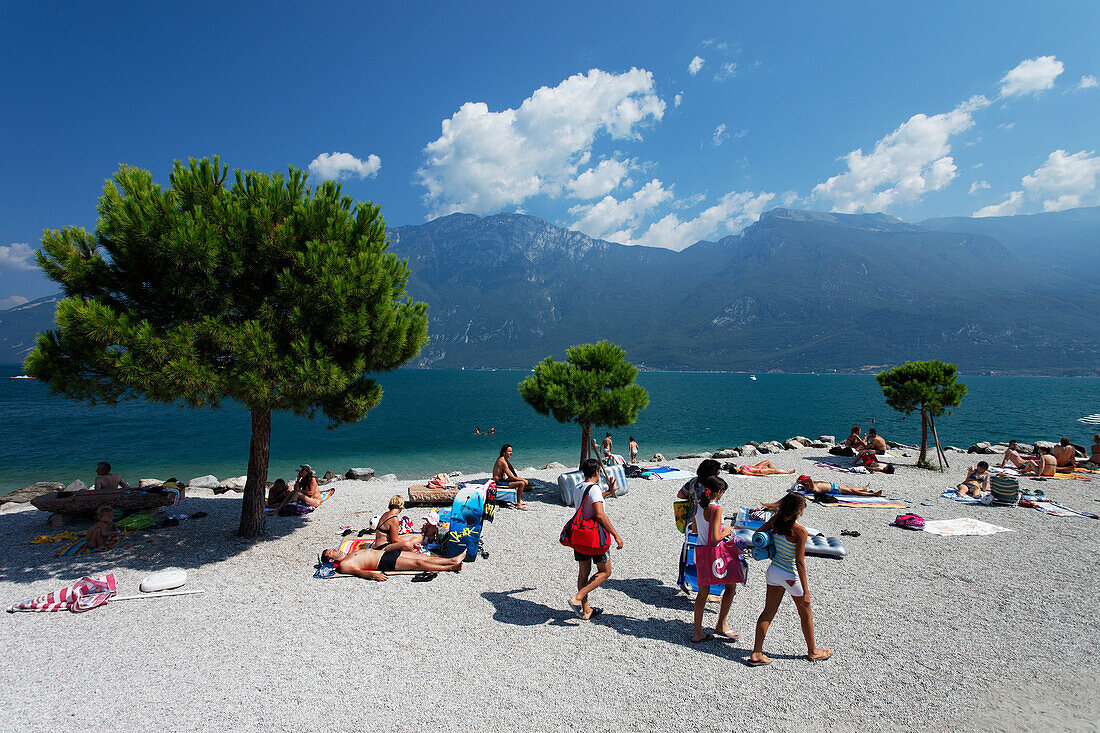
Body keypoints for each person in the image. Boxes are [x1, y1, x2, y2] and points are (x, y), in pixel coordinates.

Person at [748, 492, 832, 666]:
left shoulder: (775, 521)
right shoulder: (800, 531)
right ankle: (813, 651)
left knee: (768, 612)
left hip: (773, 571)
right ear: (799, 510)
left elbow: (757, 534)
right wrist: (806, 591)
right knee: (805, 613)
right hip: (790, 575)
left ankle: (756, 652)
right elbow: (800, 562)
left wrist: (771, 544)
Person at [567, 458, 624, 621]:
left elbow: (589, 500)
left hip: (579, 535)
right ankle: (577, 597)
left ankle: (586, 610)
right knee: (605, 571)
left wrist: (608, 492)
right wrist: (615, 534)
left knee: (583, 572)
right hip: (594, 537)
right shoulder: (595, 488)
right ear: (597, 472)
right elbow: (599, 514)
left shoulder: (579, 486)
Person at [690, 476, 740, 643]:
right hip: (715, 554)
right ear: (719, 492)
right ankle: (721, 624)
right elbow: (715, 538)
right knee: (731, 586)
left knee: (702, 592)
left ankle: (698, 632)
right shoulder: (716, 509)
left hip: (700, 553)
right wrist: (727, 530)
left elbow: (695, 529)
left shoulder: (698, 505)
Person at [676, 459, 722, 596]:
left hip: (691, 523)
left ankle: (685, 579)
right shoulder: (712, 486)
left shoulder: (692, 482)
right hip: (706, 522)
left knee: (689, 552)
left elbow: (680, 495)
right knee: (708, 554)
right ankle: (707, 589)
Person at [320, 545, 464, 581]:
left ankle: (451, 560)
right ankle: (451, 567)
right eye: (331, 552)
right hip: (383, 561)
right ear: (331, 560)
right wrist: (374, 576)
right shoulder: (344, 565)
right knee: (418, 563)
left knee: (420, 556)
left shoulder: (348, 554)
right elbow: (359, 572)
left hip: (386, 554)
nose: (334, 550)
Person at [493, 444, 529, 510]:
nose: (511, 453)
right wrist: (522, 479)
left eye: (511, 451)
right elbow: (510, 476)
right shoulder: (502, 461)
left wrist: (517, 477)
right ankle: (518, 504)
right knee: (521, 483)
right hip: (499, 482)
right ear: (504, 453)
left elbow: (511, 468)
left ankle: (518, 500)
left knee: (518, 481)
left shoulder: (504, 459)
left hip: (502, 480)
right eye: (509, 451)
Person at [794, 475, 881, 498]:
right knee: (853, 492)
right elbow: (810, 480)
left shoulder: (809, 485)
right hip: (835, 489)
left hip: (833, 486)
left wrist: (801, 480)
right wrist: (801, 481)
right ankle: (873, 494)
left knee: (849, 488)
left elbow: (807, 477)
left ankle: (863, 489)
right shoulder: (810, 487)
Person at [731, 460, 796, 476]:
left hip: (757, 467)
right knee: (774, 470)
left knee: (767, 461)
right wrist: (762, 475)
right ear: (736, 470)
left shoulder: (741, 467)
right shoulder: (743, 471)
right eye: (734, 467)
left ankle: (774, 471)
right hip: (760, 470)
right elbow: (752, 474)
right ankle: (788, 472)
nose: (735, 466)